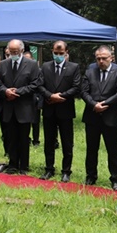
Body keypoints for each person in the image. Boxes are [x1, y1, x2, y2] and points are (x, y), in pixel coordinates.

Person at [81, 45, 117, 189]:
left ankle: (115, 179)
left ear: (111, 58)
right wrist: (94, 104)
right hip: (92, 115)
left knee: (113, 149)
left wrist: (104, 103)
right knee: (91, 148)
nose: (101, 61)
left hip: (111, 116)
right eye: (98, 58)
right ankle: (90, 176)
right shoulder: (89, 72)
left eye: (104, 58)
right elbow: (84, 91)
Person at [0, 39, 42, 175]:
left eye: (15, 52)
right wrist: (6, 91)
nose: (13, 54)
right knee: (10, 137)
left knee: (23, 137)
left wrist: (18, 92)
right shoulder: (3, 64)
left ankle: (23, 166)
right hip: (8, 106)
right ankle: (13, 163)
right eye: (11, 52)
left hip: (24, 106)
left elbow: (35, 84)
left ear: (21, 51)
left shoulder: (32, 65)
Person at [37, 41, 81, 183]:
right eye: (56, 53)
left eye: (61, 53)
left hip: (65, 110)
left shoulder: (73, 67)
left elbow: (76, 87)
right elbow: (40, 85)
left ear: (66, 52)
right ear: (52, 51)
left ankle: (66, 171)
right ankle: (49, 169)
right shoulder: (45, 66)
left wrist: (61, 96)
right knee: (49, 141)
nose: (58, 56)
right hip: (49, 109)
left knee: (67, 142)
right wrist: (50, 96)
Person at [23, 51, 42, 147]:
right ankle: (26, 139)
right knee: (25, 121)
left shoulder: (38, 70)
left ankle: (36, 140)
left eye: (28, 58)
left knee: (35, 122)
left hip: (35, 99)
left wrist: (39, 101)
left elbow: (40, 86)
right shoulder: (21, 70)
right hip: (24, 100)